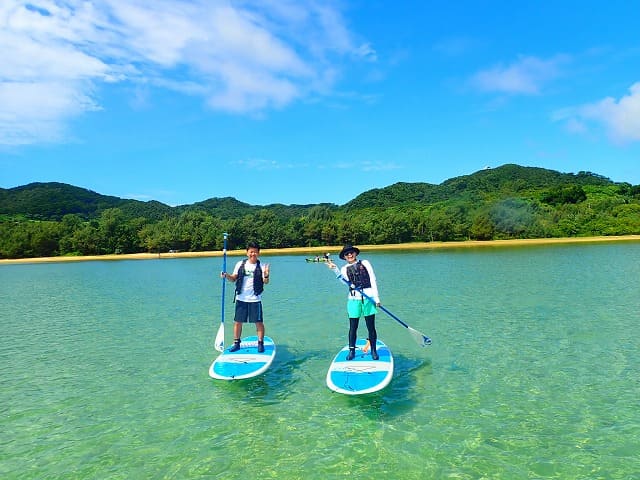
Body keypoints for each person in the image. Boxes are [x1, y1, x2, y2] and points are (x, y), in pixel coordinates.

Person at [327, 244, 381, 360]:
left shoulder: (365, 263)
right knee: (353, 327)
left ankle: (373, 350)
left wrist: (377, 298)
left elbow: (373, 279)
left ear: (355, 253)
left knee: (371, 327)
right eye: (347, 254)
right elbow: (344, 281)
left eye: (351, 252)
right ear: (344, 257)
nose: (349, 255)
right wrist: (335, 269)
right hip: (353, 300)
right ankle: (352, 351)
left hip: (368, 298)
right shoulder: (344, 269)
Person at [221, 241, 270, 353]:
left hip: (255, 299)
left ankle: (260, 343)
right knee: (238, 322)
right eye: (251, 251)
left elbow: (266, 282)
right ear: (247, 252)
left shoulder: (262, 266)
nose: (253, 254)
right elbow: (233, 278)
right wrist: (226, 275)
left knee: (258, 322)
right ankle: (237, 343)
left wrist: (266, 274)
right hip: (241, 299)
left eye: (255, 252)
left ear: (258, 253)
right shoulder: (240, 264)